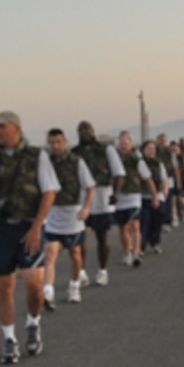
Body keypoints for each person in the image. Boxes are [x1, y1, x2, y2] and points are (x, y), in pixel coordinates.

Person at [0, 110, 56, 364]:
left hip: (29, 225)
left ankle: (33, 323)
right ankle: (9, 340)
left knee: (33, 284)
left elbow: (49, 192)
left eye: (2, 127)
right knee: (4, 285)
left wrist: (37, 228)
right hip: (2, 228)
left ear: (16, 129)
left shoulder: (36, 157)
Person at [38, 127, 97, 306]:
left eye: (58, 142)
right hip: (53, 213)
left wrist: (86, 208)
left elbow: (90, 187)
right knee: (50, 252)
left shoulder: (76, 162)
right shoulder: (44, 162)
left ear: (65, 142)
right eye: (52, 143)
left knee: (75, 253)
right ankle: (48, 291)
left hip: (73, 213)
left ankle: (74, 286)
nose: (55, 146)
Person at [72, 120, 123, 287]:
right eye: (81, 130)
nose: (84, 132)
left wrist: (115, 193)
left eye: (87, 129)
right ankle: (81, 271)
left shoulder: (106, 150)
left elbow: (118, 173)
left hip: (102, 197)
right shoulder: (74, 153)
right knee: (79, 239)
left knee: (102, 235)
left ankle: (102, 270)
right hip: (80, 198)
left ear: (93, 131)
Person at [111, 130, 149, 267]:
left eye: (126, 143)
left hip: (134, 195)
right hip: (119, 197)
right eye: (121, 143)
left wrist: (155, 194)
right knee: (123, 228)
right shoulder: (112, 160)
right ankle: (127, 251)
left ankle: (136, 253)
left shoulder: (136, 160)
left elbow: (147, 177)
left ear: (130, 145)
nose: (123, 146)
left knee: (135, 224)